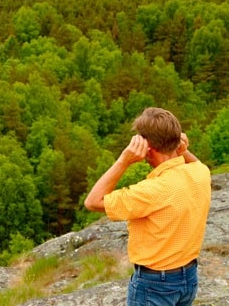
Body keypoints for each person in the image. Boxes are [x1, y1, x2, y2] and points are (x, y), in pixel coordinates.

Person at [84, 107, 211, 306]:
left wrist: (123, 160)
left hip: (155, 284)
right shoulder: (200, 173)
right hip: (189, 277)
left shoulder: (151, 191)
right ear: (176, 141)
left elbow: (92, 201)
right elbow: (197, 164)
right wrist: (183, 151)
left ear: (147, 148)